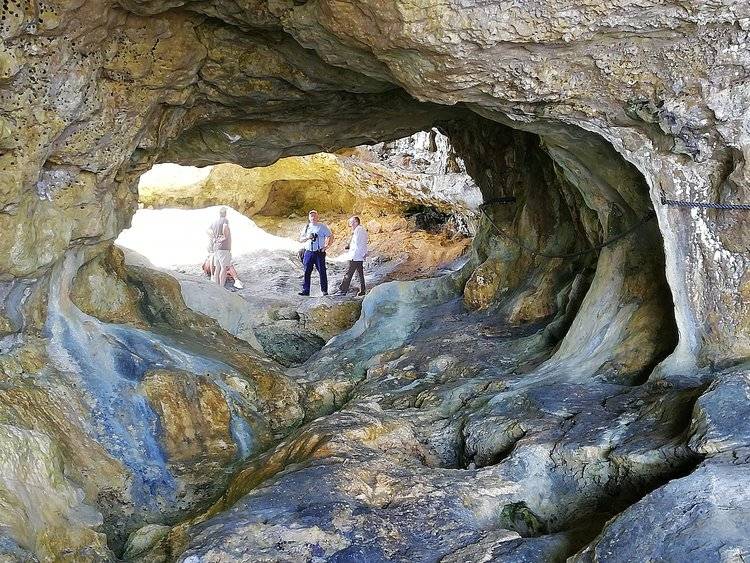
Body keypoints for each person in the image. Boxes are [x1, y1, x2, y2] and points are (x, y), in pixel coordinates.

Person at [299, 210, 333, 296]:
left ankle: (324, 290)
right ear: (309, 218)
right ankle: (306, 290)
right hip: (309, 252)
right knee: (306, 271)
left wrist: (326, 247)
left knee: (322, 271)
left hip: (319, 252)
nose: (313, 217)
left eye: (314, 216)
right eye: (311, 216)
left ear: (318, 217)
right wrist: (308, 237)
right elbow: (301, 239)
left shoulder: (322, 227)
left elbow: (330, 236)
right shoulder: (306, 227)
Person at [334, 216, 368, 297]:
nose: (350, 224)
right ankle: (362, 290)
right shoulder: (359, 230)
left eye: (351, 222)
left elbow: (359, 244)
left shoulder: (359, 231)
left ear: (356, 222)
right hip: (358, 255)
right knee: (360, 274)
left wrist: (359, 254)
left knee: (349, 273)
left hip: (355, 256)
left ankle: (343, 290)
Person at [209, 207, 234, 288]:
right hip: (223, 247)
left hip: (216, 247)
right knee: (224, 268)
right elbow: (225, 227)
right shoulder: (225, 220)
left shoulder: (214, 222)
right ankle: (222, 286)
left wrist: (214, 238)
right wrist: (225, 237)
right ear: (225, 213)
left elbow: (207, 230)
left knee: (218, 267)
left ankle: (216, 286)